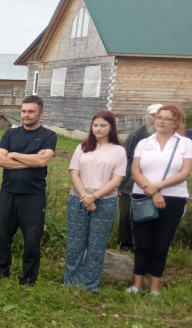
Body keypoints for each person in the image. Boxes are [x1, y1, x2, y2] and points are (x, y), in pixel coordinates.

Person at [127, 104, 192, 297]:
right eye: (159, 117)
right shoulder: (144, 143)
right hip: (143, 195)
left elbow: (185, 172)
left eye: (167, 118)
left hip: (174, 198)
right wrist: (153, 191)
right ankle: (137, 284)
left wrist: (159, 186)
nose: (161, 121)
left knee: (161, 243)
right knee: (142, 242)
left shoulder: (185, 144)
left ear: (176, 123)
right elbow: (135, 172)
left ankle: (154, 287)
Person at [0, 95, 57, 285]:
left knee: (32, 240)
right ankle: (1, 274)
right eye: (23, 111)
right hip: (8, 193)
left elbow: (43, 161)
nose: (26, 115)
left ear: (41, 113)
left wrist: (13, 155)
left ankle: (28, 279)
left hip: (34, 196)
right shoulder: (10, 135)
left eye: (31, 111)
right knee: (3, 236)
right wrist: (31, 161)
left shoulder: (48, 136)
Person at [64, 110, 126, 293]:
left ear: (111, 128)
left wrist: (95, 196)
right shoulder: (83, 147)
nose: (98, 129)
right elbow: (74, 172)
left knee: (96, 246)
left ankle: (90, 285)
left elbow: (117, 179)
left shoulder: (118, 151)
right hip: (78, 199)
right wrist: (85, 196)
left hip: (105, 201)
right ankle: (71, 282)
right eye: (95, 125)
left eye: (103, 125)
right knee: (75, 244)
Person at [117, 104, 161, 252]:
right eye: (153, 115)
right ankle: (125, 244)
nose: (155, 118)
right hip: (130, 181)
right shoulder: (137, 134)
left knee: (148, 215)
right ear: (148, 116)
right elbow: (124, 158)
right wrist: (120, 183)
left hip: (155, 184)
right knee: (126, 215)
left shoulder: (167, 137)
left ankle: (142, 245)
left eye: (159, 116)